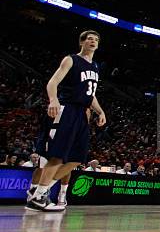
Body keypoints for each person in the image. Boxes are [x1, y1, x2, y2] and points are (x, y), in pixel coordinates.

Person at [26, 30, 106, 212]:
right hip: (67, 109)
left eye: (96, 40)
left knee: (77, 159)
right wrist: (53, 99)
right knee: (57, 156)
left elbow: (91, 94)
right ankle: (38, 195)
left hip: (82, 114)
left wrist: (100, 111)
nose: (93, 41)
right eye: (90, 39)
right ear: (82, 42)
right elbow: (52, 82)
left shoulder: (95, 67)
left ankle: (41, 192)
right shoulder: (71, 59)